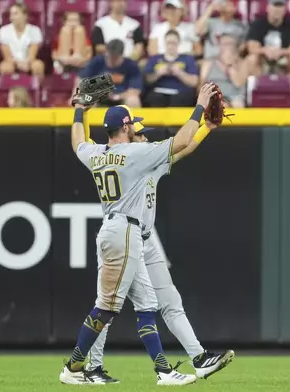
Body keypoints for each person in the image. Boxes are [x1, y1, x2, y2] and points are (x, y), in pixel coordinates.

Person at [59, 83, 218, 386]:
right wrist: (199, 105)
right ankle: (75, 365)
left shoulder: (97, 153)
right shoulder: (135, 153)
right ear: (127, 126)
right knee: (106, 308)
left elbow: (78, 141)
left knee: (146, 304)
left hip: (117, 227)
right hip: (124, 231)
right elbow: (183, 140)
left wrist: (80, 108)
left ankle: (163, 370)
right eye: (131, 122)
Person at [86, 120, 235, 384]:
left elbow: (184, 148)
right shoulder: (131, 161)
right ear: (131, 138)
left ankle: (199, 358)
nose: (145, 138)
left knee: (170, 301)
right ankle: (92, 367)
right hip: (125, 238)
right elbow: (178, 145)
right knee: (108, 307)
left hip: (145, 240)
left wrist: (206, 128)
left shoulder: (149, 161)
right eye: (141, 134)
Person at [78, 39, 142, 107]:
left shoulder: (131, 66)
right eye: (110, 56)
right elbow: (81, 80)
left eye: (115, 57)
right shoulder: (97, 62)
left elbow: (135, 91)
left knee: (133, 100)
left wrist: (117, 96)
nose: (112, 60)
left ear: (122, 55)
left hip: (121, 96)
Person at [245, 0, 290, 76]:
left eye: (281, 6)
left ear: (285, 9)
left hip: (283, 57)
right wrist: (265, 51)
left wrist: (281, 52)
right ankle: (256, 85)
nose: (277, 9)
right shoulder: (258, 24)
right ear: (268, 8)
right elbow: (252, 48)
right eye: (275, 6)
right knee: (251, 59)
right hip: (263, 57)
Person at [144, 30, 199, 107]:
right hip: (158, 92)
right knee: (155, 98)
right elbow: (147, 80)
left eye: (173, 43)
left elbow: (194, 82)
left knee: (179, 99)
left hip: (181, 93)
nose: (170, 46)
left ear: (179, 43)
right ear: (164, 43)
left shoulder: (188, 59)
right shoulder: (155, 59)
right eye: (168, 43)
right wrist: (158, 73)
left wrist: (180, 73)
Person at [0, 2, 45, 78]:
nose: (12, 17)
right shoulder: (3, 30)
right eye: (11, 14)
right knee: (5, 67)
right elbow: (7, 56)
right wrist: (18, 64)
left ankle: (37, 88)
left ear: (25, 15)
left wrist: (27, 63)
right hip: (11, 61)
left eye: (15, 14)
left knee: (38, 65)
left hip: (29, 61)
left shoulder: (35, 30)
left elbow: (32, 54)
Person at [200, 33, 247, 107]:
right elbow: (201, 85)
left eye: (228, 44)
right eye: (222, 44)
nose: (224, 46)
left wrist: (230, 65)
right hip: (214, 96)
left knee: (237, 104)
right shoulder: (209, 63)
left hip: (235, 97)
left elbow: (238, 83)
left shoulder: (242, 63)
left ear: (235, 46)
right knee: (221, 106)